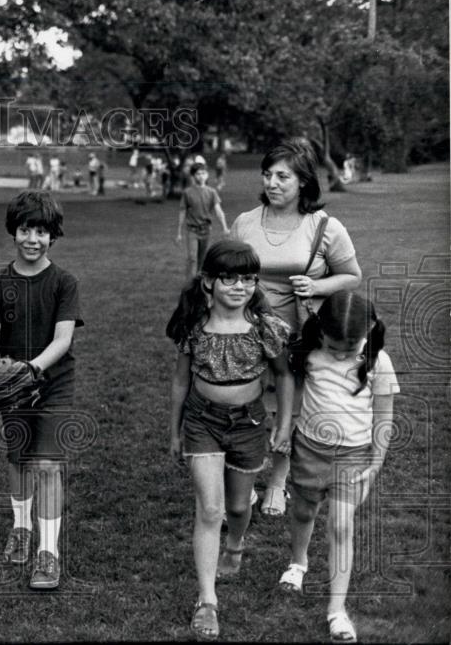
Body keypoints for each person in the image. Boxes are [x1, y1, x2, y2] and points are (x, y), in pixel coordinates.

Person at [167, 241, 294, 641]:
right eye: (229, 278)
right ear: (208, 282)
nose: (240, 286)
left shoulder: (265, 329)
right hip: (202, 421)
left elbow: (285, 377)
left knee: (238, 507)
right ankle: (207, 600)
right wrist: (174, 430)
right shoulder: (194, 327)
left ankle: (235, 545)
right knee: (210, 509)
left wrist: (284, 424)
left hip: (250, 423)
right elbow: (181, 380)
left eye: (248, 279)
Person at [229, 138, 362, 518]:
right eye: (267, 175)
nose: (272, 183)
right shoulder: (244, 222)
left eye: (282, 176)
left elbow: (352, 276)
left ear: (303, 181)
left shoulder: (325, 227)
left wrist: (318, 286)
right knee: (245, 403)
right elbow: (225, 273)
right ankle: (245, 474)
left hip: (299, 334)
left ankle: (277, 482)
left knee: (290, 407)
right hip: (247, 331)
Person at [0, 190, 84, 590]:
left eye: (41, 231)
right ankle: (21, 528)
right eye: (25, 229)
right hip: (11, 392)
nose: (32, 239)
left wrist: (30, 369)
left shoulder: (64, 283)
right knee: (18, 461)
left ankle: (48, 552)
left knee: (48, 466)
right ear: (13, 232)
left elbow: (63, 340)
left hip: (53, 385)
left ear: (53, 236)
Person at [278, 291, 399, 644]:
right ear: (320, 331)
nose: (343, 352)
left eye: (351, 344)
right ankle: (298, 563)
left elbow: (384, 417)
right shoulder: (309, 354)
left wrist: (375, 463)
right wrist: (285, 431)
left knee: (342, 526)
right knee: (303, 511)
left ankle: (337, 611)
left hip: (354, 456)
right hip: (309, 450)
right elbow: (293, 394)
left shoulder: (379, 362)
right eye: (334, 345)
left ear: (370, 328)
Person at [177, 163, 230, 280]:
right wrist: (179, 232)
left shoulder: (212, 192)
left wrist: (225, 227)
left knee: (202, 259)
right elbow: (182, 212)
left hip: (206, 230)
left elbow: (219, 211)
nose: (201, 176)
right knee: (192, 258)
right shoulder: (187, 192)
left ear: (207, 175)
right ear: (193, 176)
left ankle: (199, 282)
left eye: (203, 173)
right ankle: (190, 285)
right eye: (198, 173)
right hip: (192, 230)